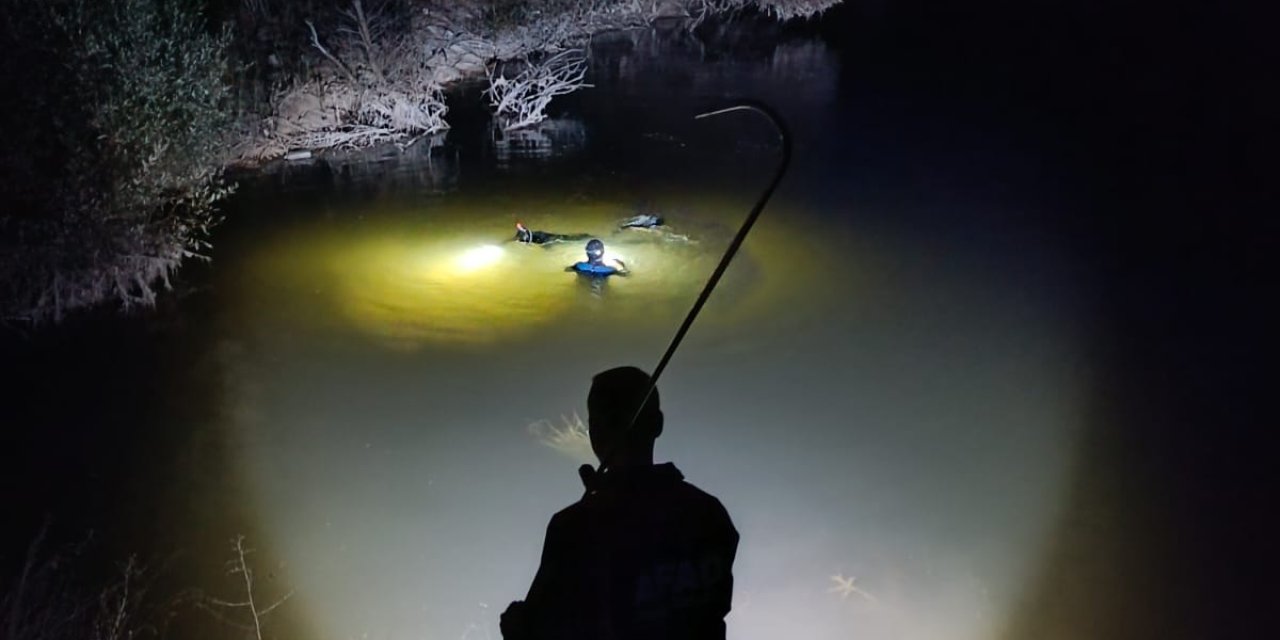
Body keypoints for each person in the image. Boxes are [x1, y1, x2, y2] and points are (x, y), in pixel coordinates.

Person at [501, 367, 739, 640]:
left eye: (613, 419)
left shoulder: (573, 528)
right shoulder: (707, 513)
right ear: (657, 424)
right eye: (597, 423)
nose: (603, 432)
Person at [514, 221, 591, 245]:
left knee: (566, 240)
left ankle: (585, 237)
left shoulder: (525, 234)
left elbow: (528, 239)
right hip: (543, 237)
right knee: (565, 238)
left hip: (546, 239)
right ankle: (584, 237)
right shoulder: (522, 234)